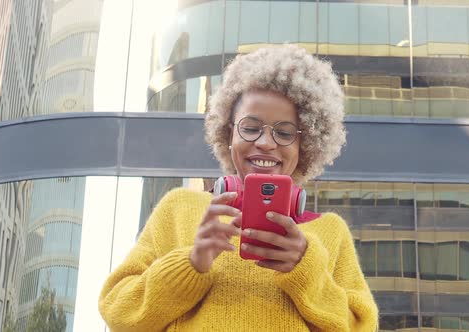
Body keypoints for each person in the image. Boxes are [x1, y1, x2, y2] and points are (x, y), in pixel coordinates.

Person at [98, 45, 378, 331]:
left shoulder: (330, 232)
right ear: (228, 133)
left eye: (284, 133)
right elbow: (119, 312)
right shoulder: (178, 208)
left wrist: (306, 272)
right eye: (250, 127)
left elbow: (361, 326)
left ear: (305, 146)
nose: (266, 143)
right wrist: (190, 263)